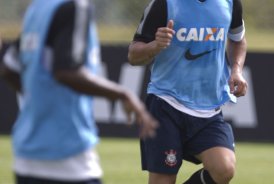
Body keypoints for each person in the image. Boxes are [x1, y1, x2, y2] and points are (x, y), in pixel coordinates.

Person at [0, 0, 158, 184]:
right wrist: (123, 94)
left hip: (27, 156)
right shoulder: (74, 6)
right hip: (66, 154)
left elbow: (9, 68)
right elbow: (67, 72)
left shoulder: (38, 8)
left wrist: (40, 101)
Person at [128, 0, 247, 184]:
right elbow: (133, 55)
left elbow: (238, 40)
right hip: (165, 104)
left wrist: (236, 70)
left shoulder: (230, 2)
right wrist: (155, 46)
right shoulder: (163, 3)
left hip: (210, 109)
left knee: (224, 169)